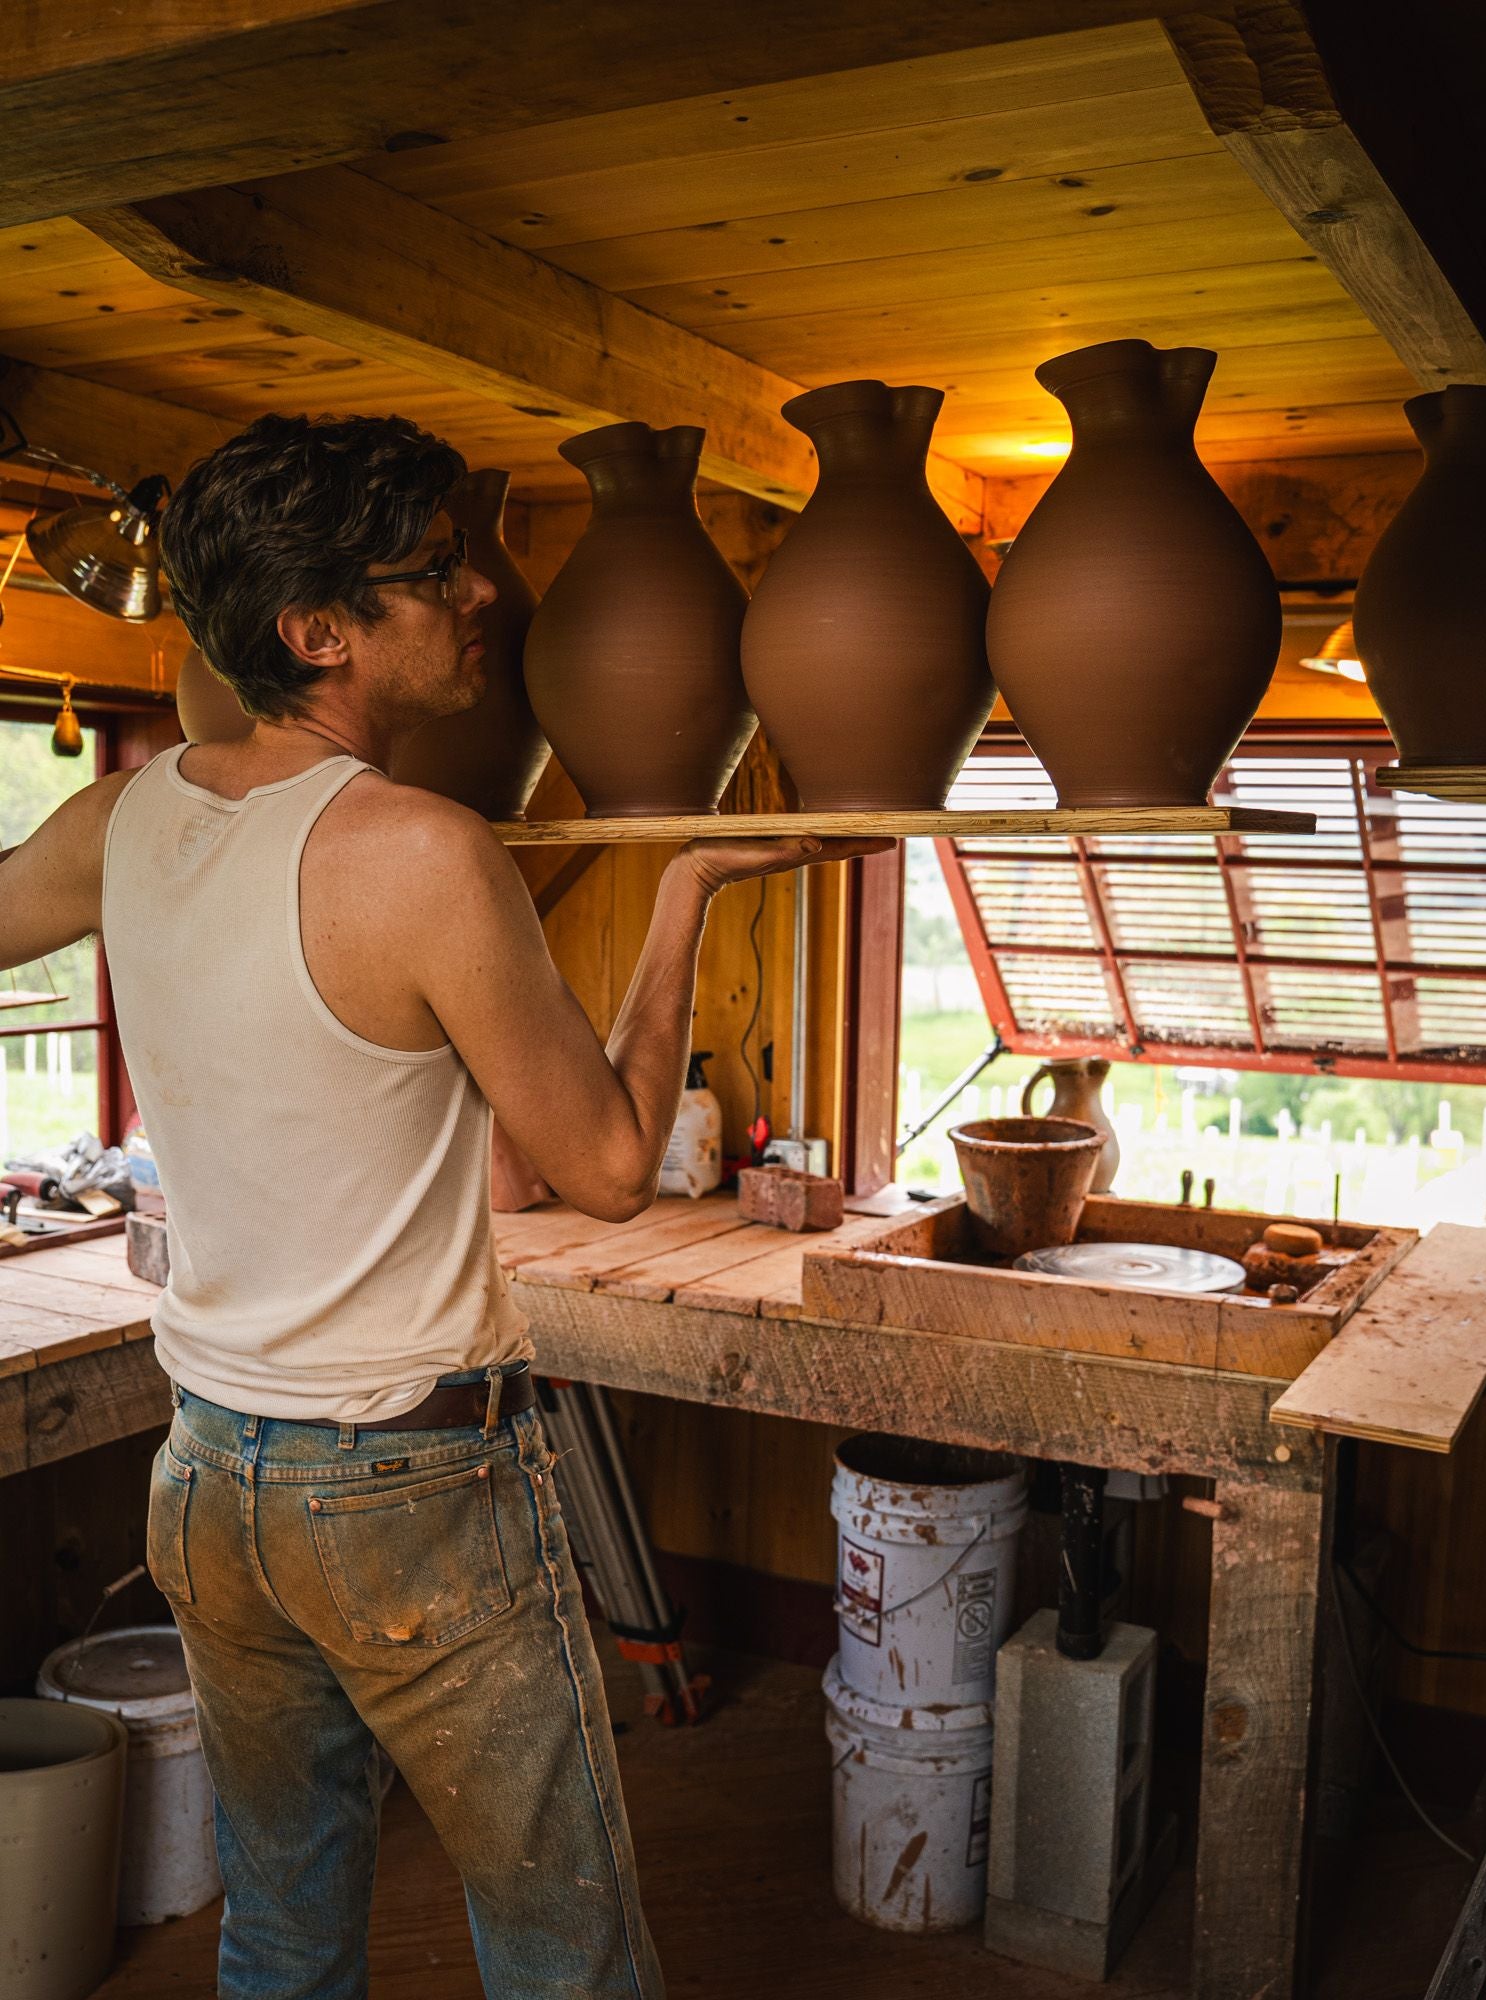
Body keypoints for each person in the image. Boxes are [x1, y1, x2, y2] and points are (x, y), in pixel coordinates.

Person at [0, 412, 881, 1999]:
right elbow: (611, 1170)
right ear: (317, 632)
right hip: (403, 1489)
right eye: (435, 573)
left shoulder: (126, 820)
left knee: (280, 1922)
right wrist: (682, 890)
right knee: (566, 1948)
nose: (479, 593)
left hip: (206, 1471)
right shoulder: (420, 849)